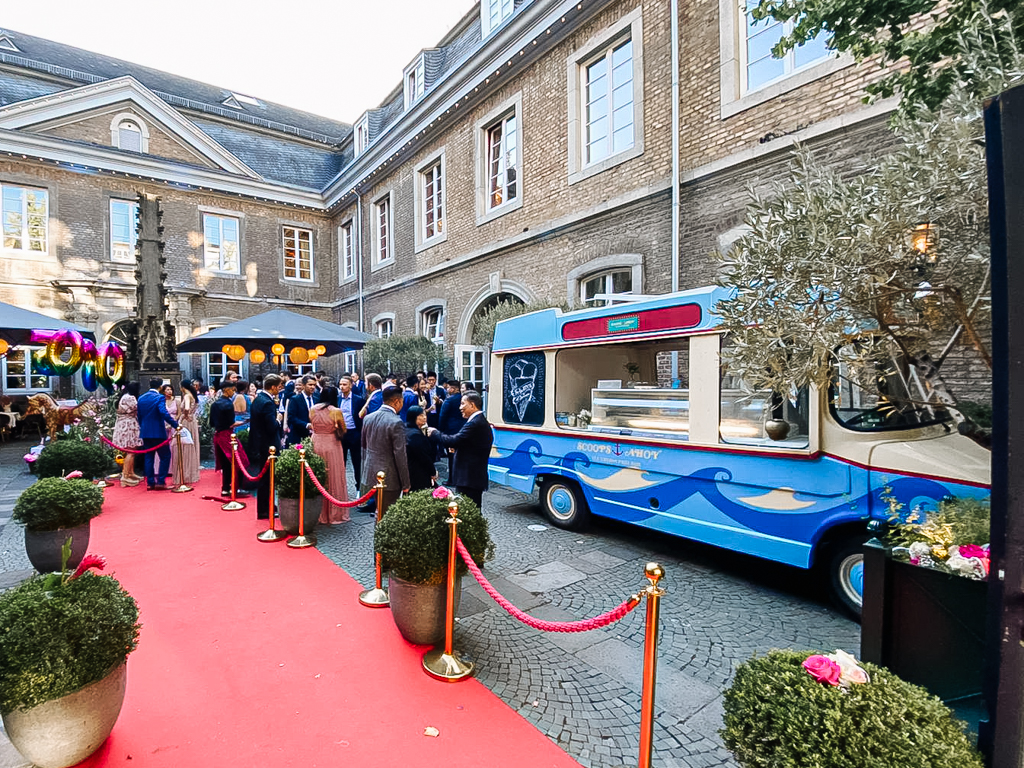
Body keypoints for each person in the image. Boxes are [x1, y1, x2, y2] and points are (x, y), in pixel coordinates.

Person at [428, 391, 493, 509]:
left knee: (469, 511)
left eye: (463, 404)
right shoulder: (477, 421)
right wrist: (458, 448)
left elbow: (454, 440)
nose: (460, 408)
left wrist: (435, 433)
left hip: (470, 478)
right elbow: (468, 443)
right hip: (471, 477)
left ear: (472, 405)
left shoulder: (475, 423)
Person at [359, 385, 410, 516]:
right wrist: (406, 483)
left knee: (379, 511)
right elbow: (400, 455)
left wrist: (364, 472)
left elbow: (364, 448)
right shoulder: (396, 422)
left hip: (371, 472)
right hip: (389, 476)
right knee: (387, 513)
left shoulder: (368, 418)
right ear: (397, 401)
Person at [310, 385, 349, 524]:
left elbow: (313, 425)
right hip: (331, 444)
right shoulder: (336, 411)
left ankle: (317, 510)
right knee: (333, 475)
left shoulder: (313, 409)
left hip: (316, 442)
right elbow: (343, 429)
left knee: (317, 476)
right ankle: (334, 512)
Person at [249, 374, 283, 520]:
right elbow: (271, 426)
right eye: (279, 386)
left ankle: (266, 506)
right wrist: (279, 420)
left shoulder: (258, 399)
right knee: (267, 479)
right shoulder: (267, 403)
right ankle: (265, 509)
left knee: (265, 479)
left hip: (260, 443)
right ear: (273, 386)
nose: (280, 389)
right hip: (268, 445)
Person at [136, 378, 179, 490]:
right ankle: (160, 481)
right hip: (158, 431)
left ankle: (150, 483)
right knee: (165, 456)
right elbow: (163, 412)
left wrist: (142, 426)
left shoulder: (141, 398)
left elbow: (139, 415)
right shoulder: (159, 397)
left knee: (149, 456)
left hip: (145, 430)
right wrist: (175, 424)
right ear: (160, 387)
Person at [211, 381, 249, 498]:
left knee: (225, 463)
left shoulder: (215, 404)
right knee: (240, 461)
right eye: (232, 389)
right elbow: (231, 424)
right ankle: (237, 487)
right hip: (227, 436)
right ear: (226, 390)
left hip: (218, 435)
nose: (233, 392)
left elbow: (212, 423)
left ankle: (225, 488)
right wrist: (244, 421)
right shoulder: (228, 404)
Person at [336, 375, 364, 495]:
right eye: (340, 384)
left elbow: (361, 418)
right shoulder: (337, 399)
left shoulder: (358, 400)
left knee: (356, 462)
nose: (342, 387)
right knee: (340, 462)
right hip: (341, 433)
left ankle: (358, 488)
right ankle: (341, 488)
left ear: (351, 385)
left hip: (354, 432)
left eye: (344, 384)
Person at [112, 382, 143, 487]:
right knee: (131, 451)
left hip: (122, 424)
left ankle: (131, 473)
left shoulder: (123, 396)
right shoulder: (131, 398)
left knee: (131, 451)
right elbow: (138, 409)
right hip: (129, 425)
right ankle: (125, 476)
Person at [173, 379, 201, 486]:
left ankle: (184, 473)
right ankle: (188, 472)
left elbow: (187, 408)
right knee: (190, 444)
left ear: (182, 387)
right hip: (192, 420)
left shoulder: (187, 396)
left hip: (186, 421)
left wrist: (184, 416)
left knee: (184, 445)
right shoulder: (192, 395)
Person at [404, 406, 437, 492]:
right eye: (421, 415)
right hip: (417, 472)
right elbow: (424, 456)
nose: (424, 417)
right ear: (414, 417)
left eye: (425, 415)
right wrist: (432, 472)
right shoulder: (415, 435)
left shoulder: (405, 428)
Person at [285, 375, 317, 446]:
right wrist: (306, 425)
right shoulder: (295, 399)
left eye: (314, 385)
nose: (312, 387)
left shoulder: (316, 399)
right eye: (310, 385)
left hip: (314, 435)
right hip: (298, 434)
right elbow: (291, 417)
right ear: (303, 385)